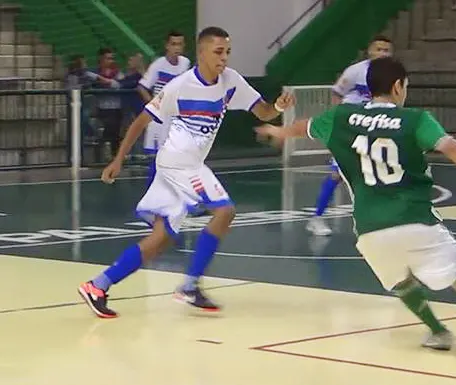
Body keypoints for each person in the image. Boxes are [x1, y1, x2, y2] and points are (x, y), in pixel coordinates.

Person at [255, 57, 456, 350]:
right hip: (415, 219)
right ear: (397, 87)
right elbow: (453, 148)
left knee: (400, 283)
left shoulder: (342, 117)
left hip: (370, 230)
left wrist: (279, 131)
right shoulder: (415, 120)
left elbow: (305, 126)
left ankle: (439, 332)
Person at [78, 26, 295, 319]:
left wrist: (278, 106)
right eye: (218, 52)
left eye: (228, 52)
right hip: (178, 162)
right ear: (202, 52)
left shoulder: (231, 82)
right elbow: (142, 120)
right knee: (225, 210)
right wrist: (118, 159)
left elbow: (263, 112)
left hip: (185, 165)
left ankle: (98, 286)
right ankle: (190, 286)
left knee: (161, 239)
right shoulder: (180, 86)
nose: (224, 58)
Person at [307, 35, 394, 236]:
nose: (382, 53)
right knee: (337, 174)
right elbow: (338, 93)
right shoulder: (356, 71)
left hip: (375, 128)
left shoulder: (393, 74)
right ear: (370, 51)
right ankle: (317, 218)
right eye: (378, 49)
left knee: (379, 171)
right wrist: (341, 122)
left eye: (386, 50)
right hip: (351, 128)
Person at [138, 30, 192, 188]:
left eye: (180, 44)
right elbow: (142, 87)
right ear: (167, 45)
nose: (177, 47)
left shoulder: (185, 63)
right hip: (159, 120)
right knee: (157, 160)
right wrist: (155, 107)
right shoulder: (158, 65)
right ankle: (153, 198)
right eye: (173, 44)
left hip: (177, 118)